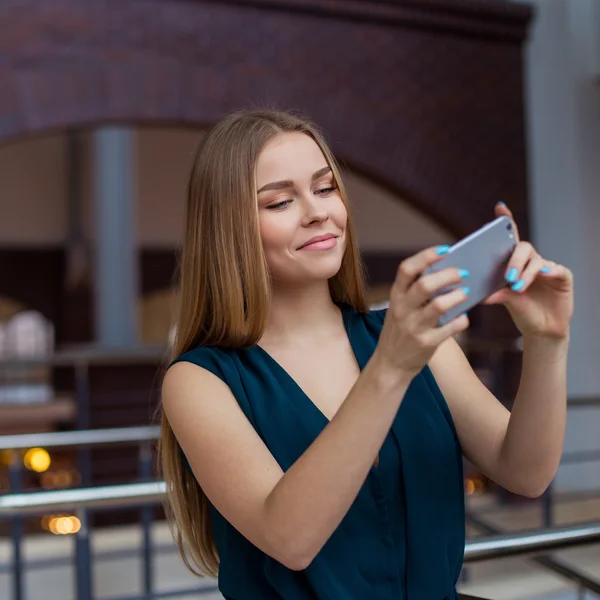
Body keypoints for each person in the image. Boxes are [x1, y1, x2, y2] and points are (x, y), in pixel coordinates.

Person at [159, 109, 574, 600]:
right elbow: (290, 539)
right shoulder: (199, 381)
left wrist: (548, 341)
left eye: (326, 187)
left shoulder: (417, 342)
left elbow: (526, 473)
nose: (318, 212)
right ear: (228, 229)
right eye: (279, 202)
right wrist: (392, 365)